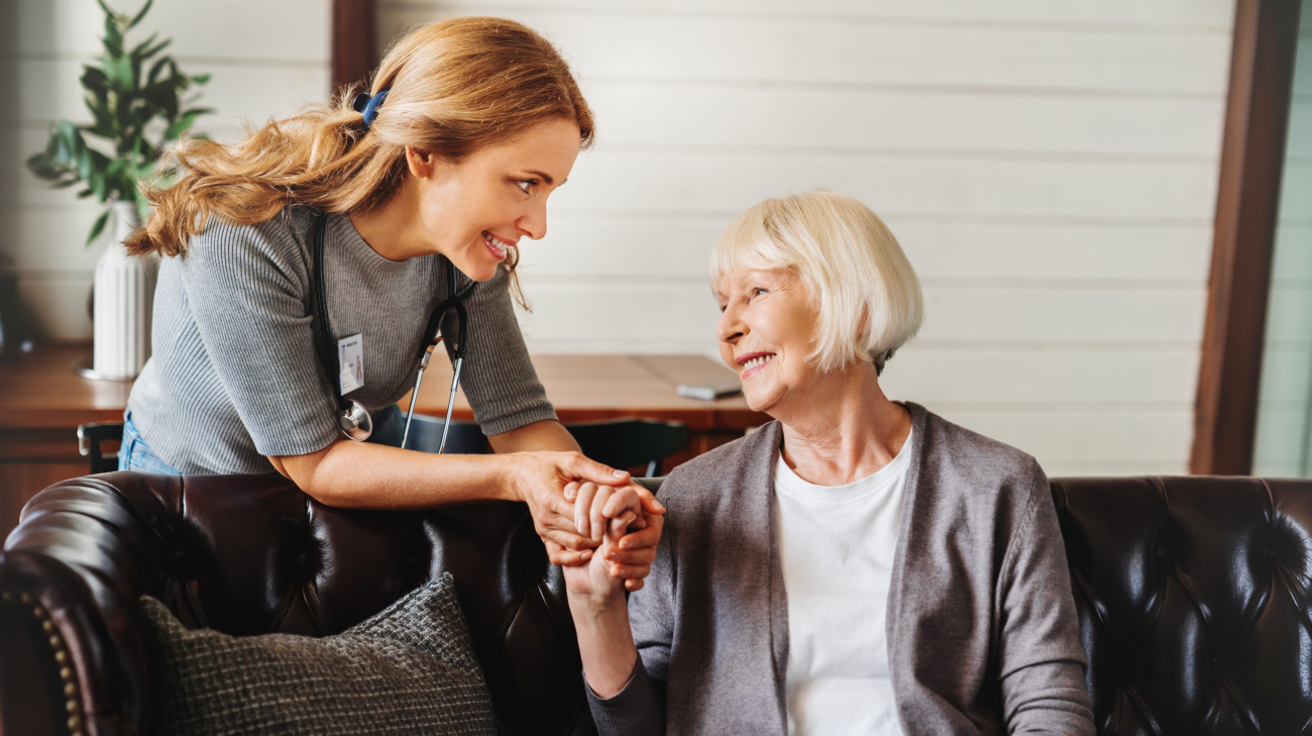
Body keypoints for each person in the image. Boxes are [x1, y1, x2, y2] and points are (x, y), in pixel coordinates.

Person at [119, 16, 660, 573]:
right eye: (526, 183)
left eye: (550, 191)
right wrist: (514, 478)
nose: (539, 226)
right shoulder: (246, 230)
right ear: (424, 152)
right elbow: (316, 463)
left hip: (333, 495)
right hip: (189, 492)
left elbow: (520, 421)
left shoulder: (465, 257)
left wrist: (593, 500)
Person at [562, 190, 1096, 734]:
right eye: (723, 303)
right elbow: (636, 729)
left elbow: (1050, 705)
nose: (727, 328)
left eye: (757, 292)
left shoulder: (996, 487)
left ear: (856, 305)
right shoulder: (692, 498)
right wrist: (594, 607)